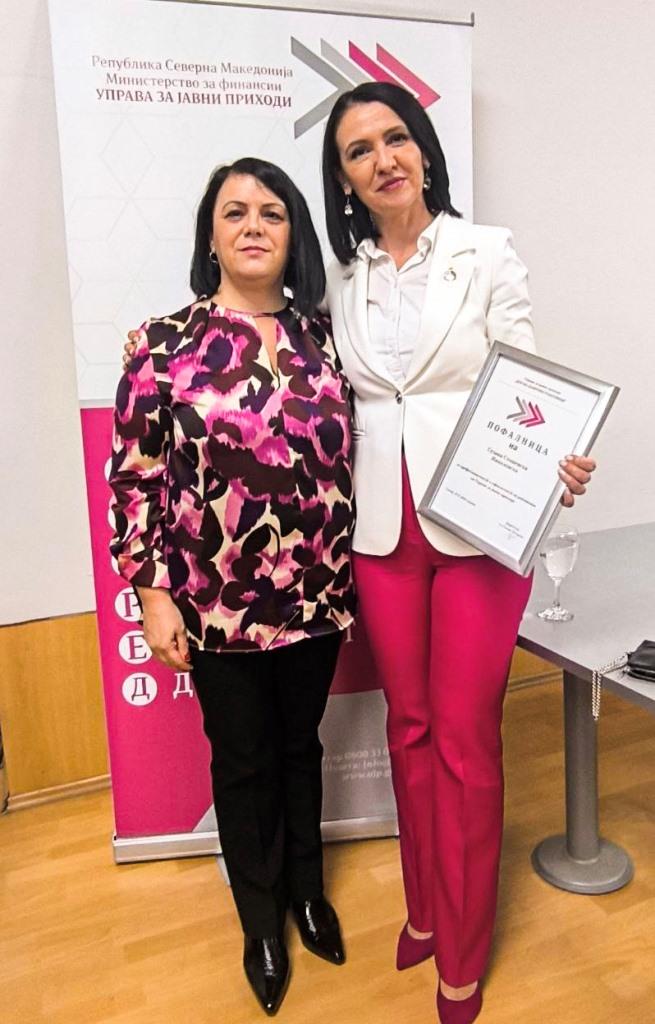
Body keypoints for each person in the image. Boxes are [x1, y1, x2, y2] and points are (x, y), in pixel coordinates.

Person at [321, 82, 595, 1024]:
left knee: (465, 733)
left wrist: (558, 456)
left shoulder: (486, 252)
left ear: (424, 152)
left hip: (480, 521)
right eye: (359, 150)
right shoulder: (342, 281)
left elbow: (529, 377)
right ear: (345, 179)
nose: (382, 159)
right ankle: (427, 907)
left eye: (395, 138)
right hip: (380, 528)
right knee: (408, 725)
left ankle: (464, 953)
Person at [109, 157, 356, 1017]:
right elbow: (135, 478)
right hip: (215, 602)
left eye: (272, 213)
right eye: (235, 212)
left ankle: (308, 894)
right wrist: (152, 594)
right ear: (210, 236)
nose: (254, 225)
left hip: (319, 593)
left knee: (300, 747)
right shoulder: (162, 344)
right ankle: (260, 923)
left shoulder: (330, 340)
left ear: (295, 236)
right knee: (243, 759)